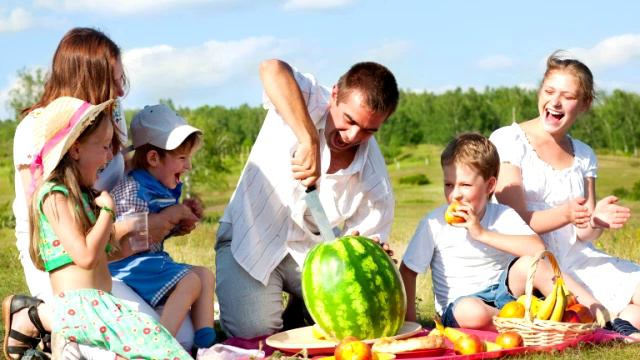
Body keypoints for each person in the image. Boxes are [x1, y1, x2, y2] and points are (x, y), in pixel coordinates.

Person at [4, 27, 193, 359]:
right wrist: (117, 225)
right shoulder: (37, 130)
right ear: (86, 79)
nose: (121, 88)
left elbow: (120, 167)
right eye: (114, 79)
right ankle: (36, 316)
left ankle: (55, 334)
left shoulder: (109, 117)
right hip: (63, 261)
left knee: (184, 336)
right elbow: (49, 219)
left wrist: (165, 203)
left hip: (108, 251)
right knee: (121, 349)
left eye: (122, 78)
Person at [215, 59, 399, 337]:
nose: (352, 136)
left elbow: (360, 256)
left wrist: (368, 250)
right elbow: (271, 68)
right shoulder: (310, 97)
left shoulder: (375, 183)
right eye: (349, 120)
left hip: (312, 255)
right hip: (249, 240)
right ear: (335, 94)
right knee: (255, 332)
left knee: (352, 326)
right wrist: (308, 139)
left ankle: (302, 307)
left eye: (369, 130)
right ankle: (297, 308)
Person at [27, 96, 191, 359]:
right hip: (81, 311)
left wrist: (162, 229)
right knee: (150, 351)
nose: (109, 155)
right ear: (76, 150)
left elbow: (106, 251)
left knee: (163, 343)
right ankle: (59, 339)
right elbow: (86, 257)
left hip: (102, 306)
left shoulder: (83, 195)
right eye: (104, 147)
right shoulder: (54, 196)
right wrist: (107, 212)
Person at [489, 51, 638, 337]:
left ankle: (623, 321)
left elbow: (583, 234)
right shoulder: (509, 141)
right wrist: (566, 214)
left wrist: (595, 222)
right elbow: (516, 221)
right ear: (540, 91)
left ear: (584, 104)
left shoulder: (584, 154)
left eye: (568, 96)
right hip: (534, 266)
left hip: (579, 258)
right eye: (549, 91)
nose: (555, 101)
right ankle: (613, 321)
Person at [399, 133, 602, 329]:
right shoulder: (434, 223)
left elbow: (537, 249)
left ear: (490, 186)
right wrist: (412, 325)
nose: (455, 194)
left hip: (506, 295)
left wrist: (481, 233)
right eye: (449, 185)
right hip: (461, 308)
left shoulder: (502, 214)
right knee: (472, 311)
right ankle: (529, 321)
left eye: (465, 185)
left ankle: (584, 312)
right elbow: (408, 272)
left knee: (532, 264)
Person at [108, 104, 215, 349]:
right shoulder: (133, 188)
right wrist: (170, 216)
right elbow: (127, 239)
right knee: (190, 281)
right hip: (128, 266)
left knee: (204, 276)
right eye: (181, 158)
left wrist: (179, 222)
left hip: (149, 262)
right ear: (154, 158)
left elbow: (157, 230)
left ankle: (206, 345)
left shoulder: (160, 184)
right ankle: (159, 346)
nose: (187, 166)